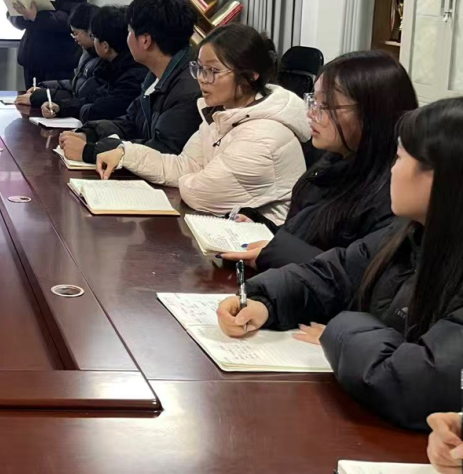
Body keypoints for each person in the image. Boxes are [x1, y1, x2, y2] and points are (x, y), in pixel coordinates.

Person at [217, 98, 463, 431]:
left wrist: (339, 331)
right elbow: (336, 273)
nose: (392, 170)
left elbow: (417, 383)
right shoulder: (410, 232)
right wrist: (264, 301)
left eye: (400, 158)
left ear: (442, 178)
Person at [93, 24, 308, 224]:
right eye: (200, 68)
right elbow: (183, 165)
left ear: (250, 76)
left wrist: (195, 176)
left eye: (213, 71)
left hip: (257, 246)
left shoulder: (265, 137)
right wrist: (125, 153)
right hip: (224, 230)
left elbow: (200, 194)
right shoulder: (223, 113)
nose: (202, 79)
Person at [221, 51, 418, 269]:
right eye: (313, 100)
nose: (311, 113)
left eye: (326, 105)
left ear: (372, 113)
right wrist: (260, 228)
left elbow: (353, 275)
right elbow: (305, 239)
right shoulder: (332, 163)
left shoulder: (394, 194)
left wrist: (272, 250)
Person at [58, 0, 201, 164]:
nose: (126, 39)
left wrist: (92, 151)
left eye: (129, 31)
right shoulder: (154, 76)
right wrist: (90, 133)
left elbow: (163, 151)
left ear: (145, 40)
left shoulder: (189, 88)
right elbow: (131, 122)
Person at [17, 2, 99, 114]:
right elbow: (74, 85)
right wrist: (43, 87)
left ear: (91, 32)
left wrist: (41, 96)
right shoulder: (87, 55)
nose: (75, 39)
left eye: (75, 33)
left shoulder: (102, 62)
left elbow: (81, 97)